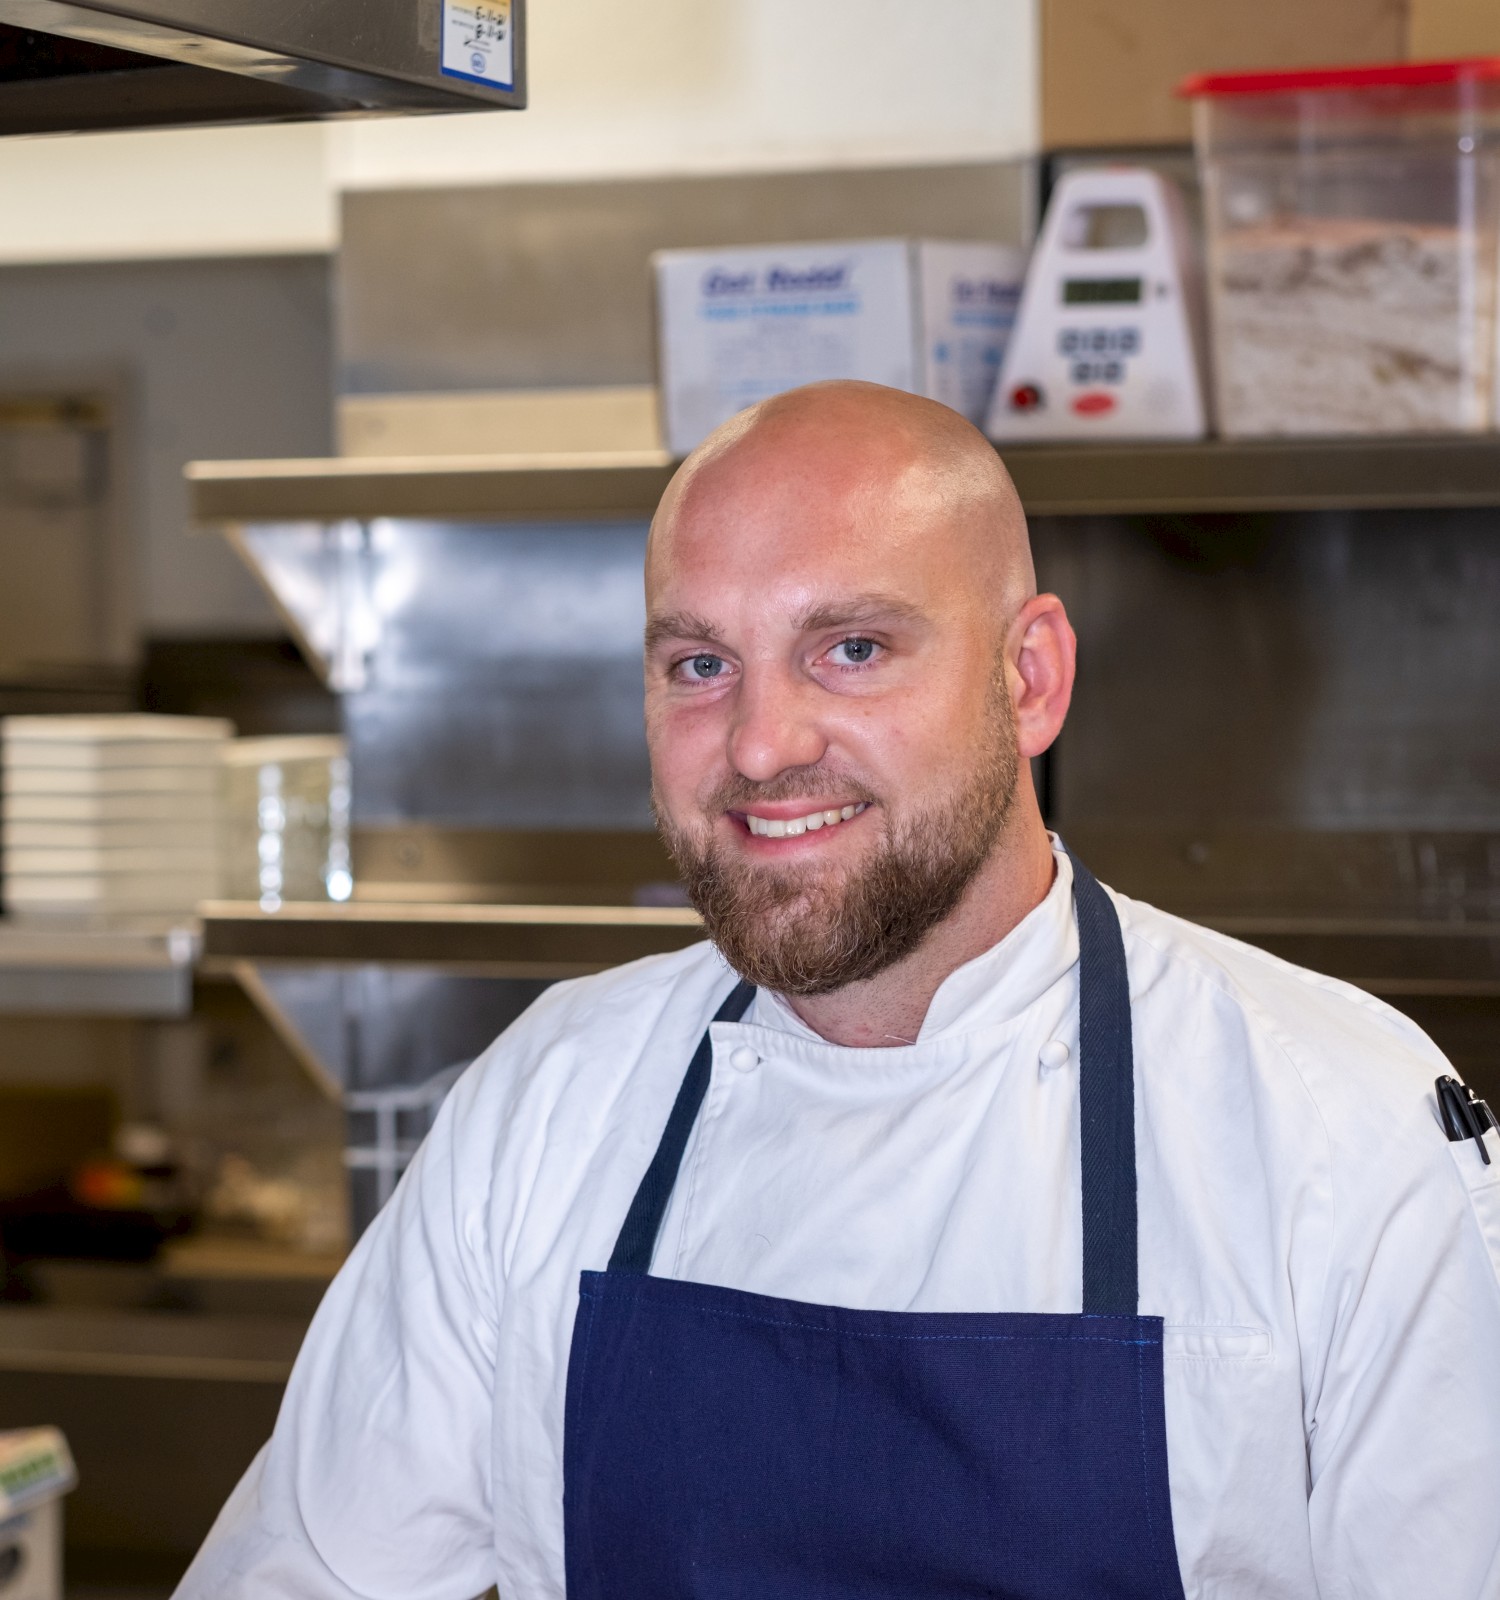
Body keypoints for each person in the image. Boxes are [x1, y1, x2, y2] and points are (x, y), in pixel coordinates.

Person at [177, 381, 1500, 1600]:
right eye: (701, 665)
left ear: (1029, 678)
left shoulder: (1342, 1134)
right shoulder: (553, 1104)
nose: (760, 744)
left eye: (852, 649)